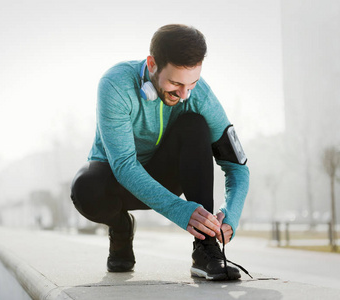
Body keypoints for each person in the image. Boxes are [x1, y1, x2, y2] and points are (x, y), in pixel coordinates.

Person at [70, 24, 249, 281]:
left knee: (195, 125)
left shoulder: (199, 95)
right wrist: (180, 211)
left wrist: (230, 215)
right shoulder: (115, 84)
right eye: (175, 83)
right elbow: (124, 166)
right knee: (85, 189)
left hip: (165, 175)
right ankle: (121, 227)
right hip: (116, 181)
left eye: (192, 84)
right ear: (152, 64)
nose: (185, 94)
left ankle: (206, 247)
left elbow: (238, 166)